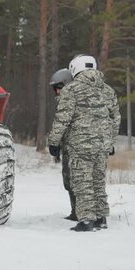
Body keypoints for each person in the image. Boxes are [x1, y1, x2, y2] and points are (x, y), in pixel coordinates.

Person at [47, 55, 121, 232]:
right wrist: (110, 143)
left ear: (74, 68)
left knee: (82, 182)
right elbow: (115, 118)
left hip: (80, 145)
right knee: (98, 181)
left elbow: (62, 119)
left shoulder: (71, 90)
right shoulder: (108, 90)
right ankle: (101, 218)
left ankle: (87, 220)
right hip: (102, 145)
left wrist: (53, 142)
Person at [49, 68, 76, 221]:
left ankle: (82, 212)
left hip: (75, 146)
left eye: (58, 89)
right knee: (68, 180)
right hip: (66, 145)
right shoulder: (63, 101)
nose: (56, 93)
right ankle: (75, 210)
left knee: (76, 180)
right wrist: (57, 143)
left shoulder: (72, 100)